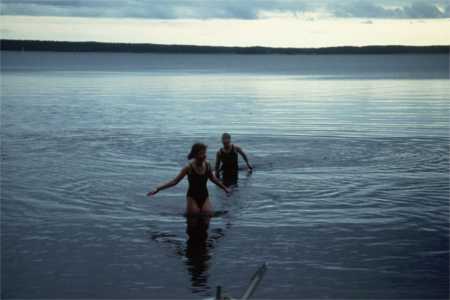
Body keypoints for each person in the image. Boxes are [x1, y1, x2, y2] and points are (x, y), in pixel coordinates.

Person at [147, 143, 230, 216]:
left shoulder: (207, 165)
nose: (204, 156)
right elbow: (174, 181)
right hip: (192, 197)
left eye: (204, 153)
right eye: (201, 153)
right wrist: (158, 189)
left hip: (205, 196)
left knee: (207, 217)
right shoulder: (188, 168)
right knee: (193, 219)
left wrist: (224, 188)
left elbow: (212, 178)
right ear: (195, 155)